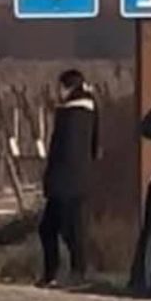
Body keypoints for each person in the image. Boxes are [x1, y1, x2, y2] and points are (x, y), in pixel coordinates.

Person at [38, 68, 99, 287]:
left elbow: (61, 151)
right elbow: (94, 146)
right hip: (80, 178)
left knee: (63, 229)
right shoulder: (90, 111)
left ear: (67, 87)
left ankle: (66, 273)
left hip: (65, 182)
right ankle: (69, 273)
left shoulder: (70, 115)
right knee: (69, 229)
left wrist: (50, 180)